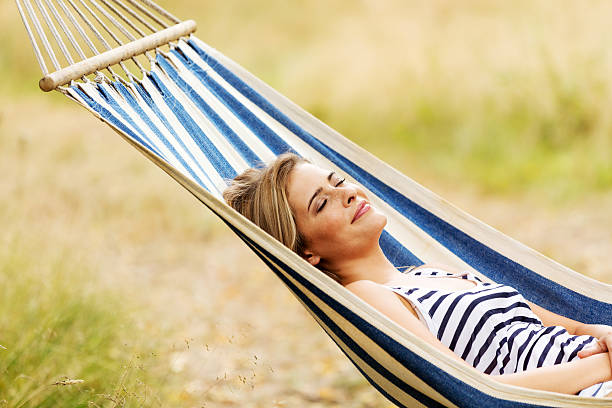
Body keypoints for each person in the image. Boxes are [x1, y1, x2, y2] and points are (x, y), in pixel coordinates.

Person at [223, 152, 612, 398]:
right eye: (322, 203)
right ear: (306, 251)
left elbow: (577, 328)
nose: (347, 195)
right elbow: (479, 393)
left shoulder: (433, 272)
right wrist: (603, 366)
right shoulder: (368, 296)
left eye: (338, 181)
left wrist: (607, 336)